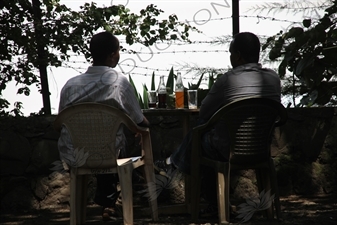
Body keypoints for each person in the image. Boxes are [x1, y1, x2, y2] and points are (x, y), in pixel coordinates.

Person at [155, 32, 281, 216]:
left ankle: (173, 166)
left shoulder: (227, 80)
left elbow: (205, 112)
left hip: (226, 150)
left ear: (237, 55)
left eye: (231, 53)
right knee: (202, 136)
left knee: (199, 135)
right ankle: (211, 200)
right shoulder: (273, 78)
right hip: (261, 148)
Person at [57, 31, 149, 221]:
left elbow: (62, 120)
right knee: (123, 142)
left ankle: (107, 201)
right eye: (118, 51)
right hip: (110, 153)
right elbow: (139, 121)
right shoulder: (119, 83)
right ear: (112, 54)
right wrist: (145, 127)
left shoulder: (70, 85)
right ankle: (127, 189)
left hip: (76, 154)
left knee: (105, 142)